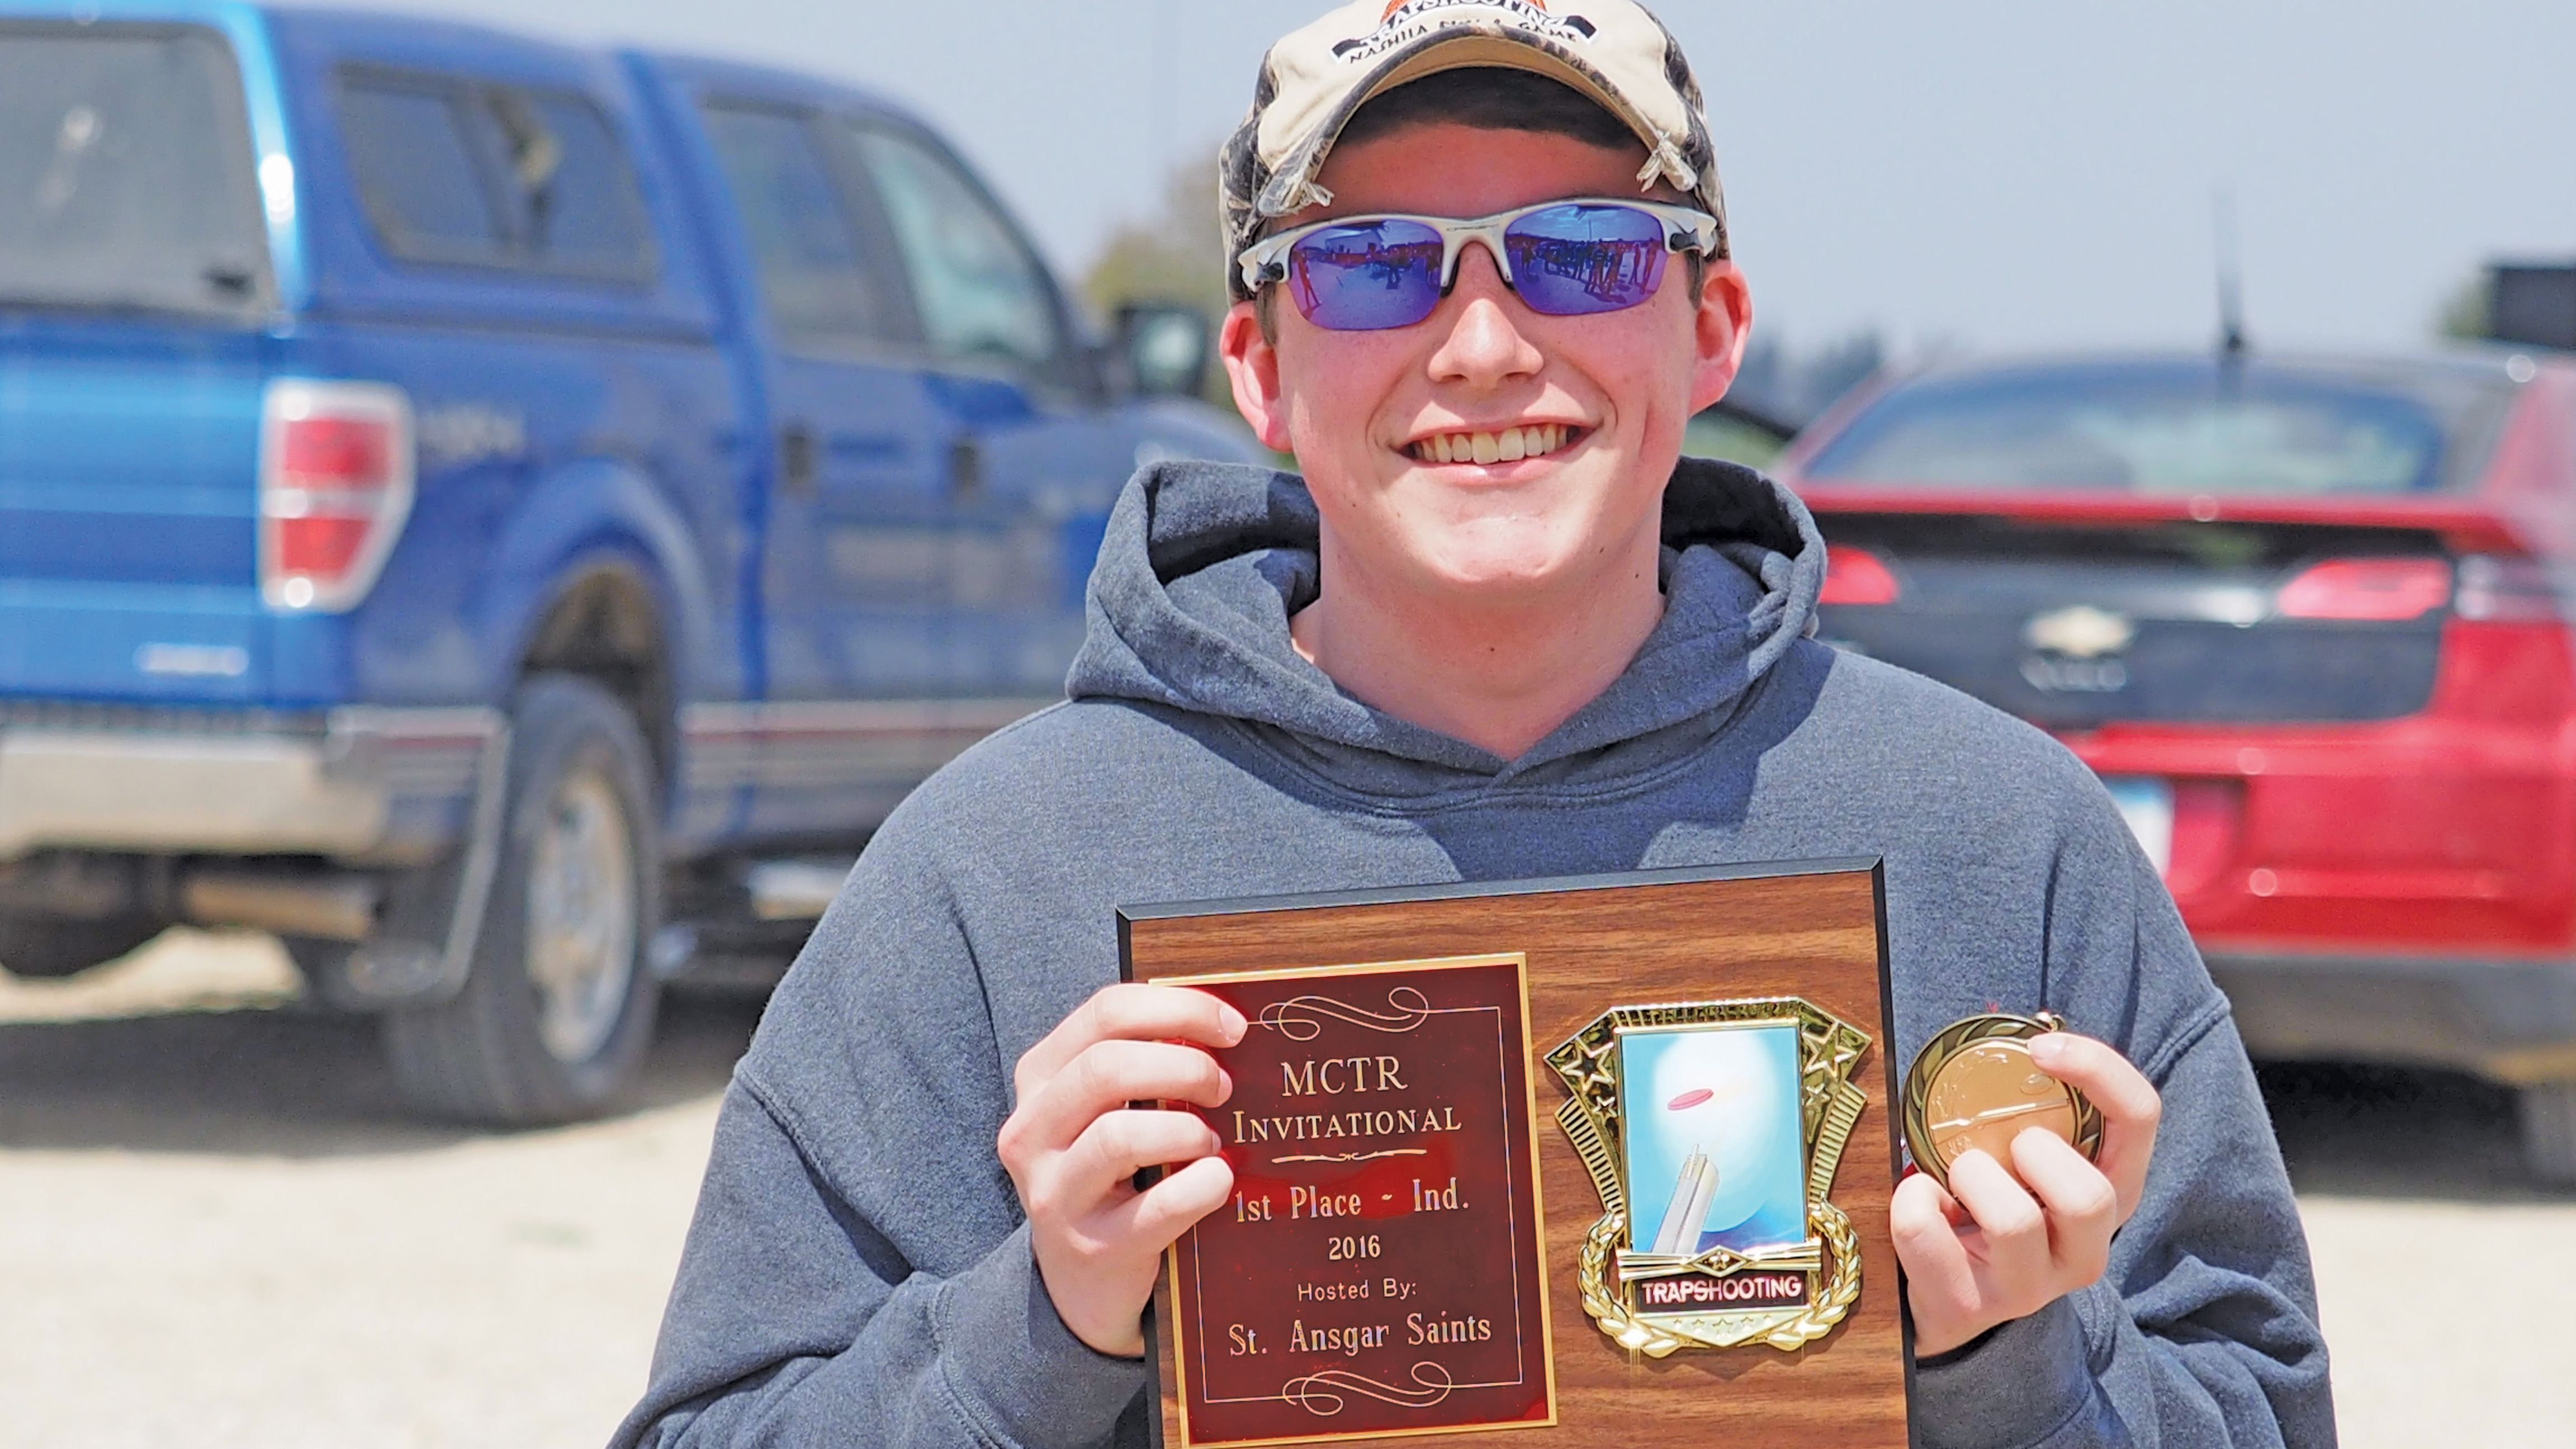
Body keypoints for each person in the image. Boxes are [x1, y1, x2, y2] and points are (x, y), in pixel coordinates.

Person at [615, 2, 2333, 1445]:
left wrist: (2016, 1369)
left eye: (1585, 255)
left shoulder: (2001, 844)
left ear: (1714, 325)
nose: (1489, 344)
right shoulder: (999, 877)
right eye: (1371, 269)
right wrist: (1034, 1326)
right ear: (1260, 366)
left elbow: (2260, 1401)